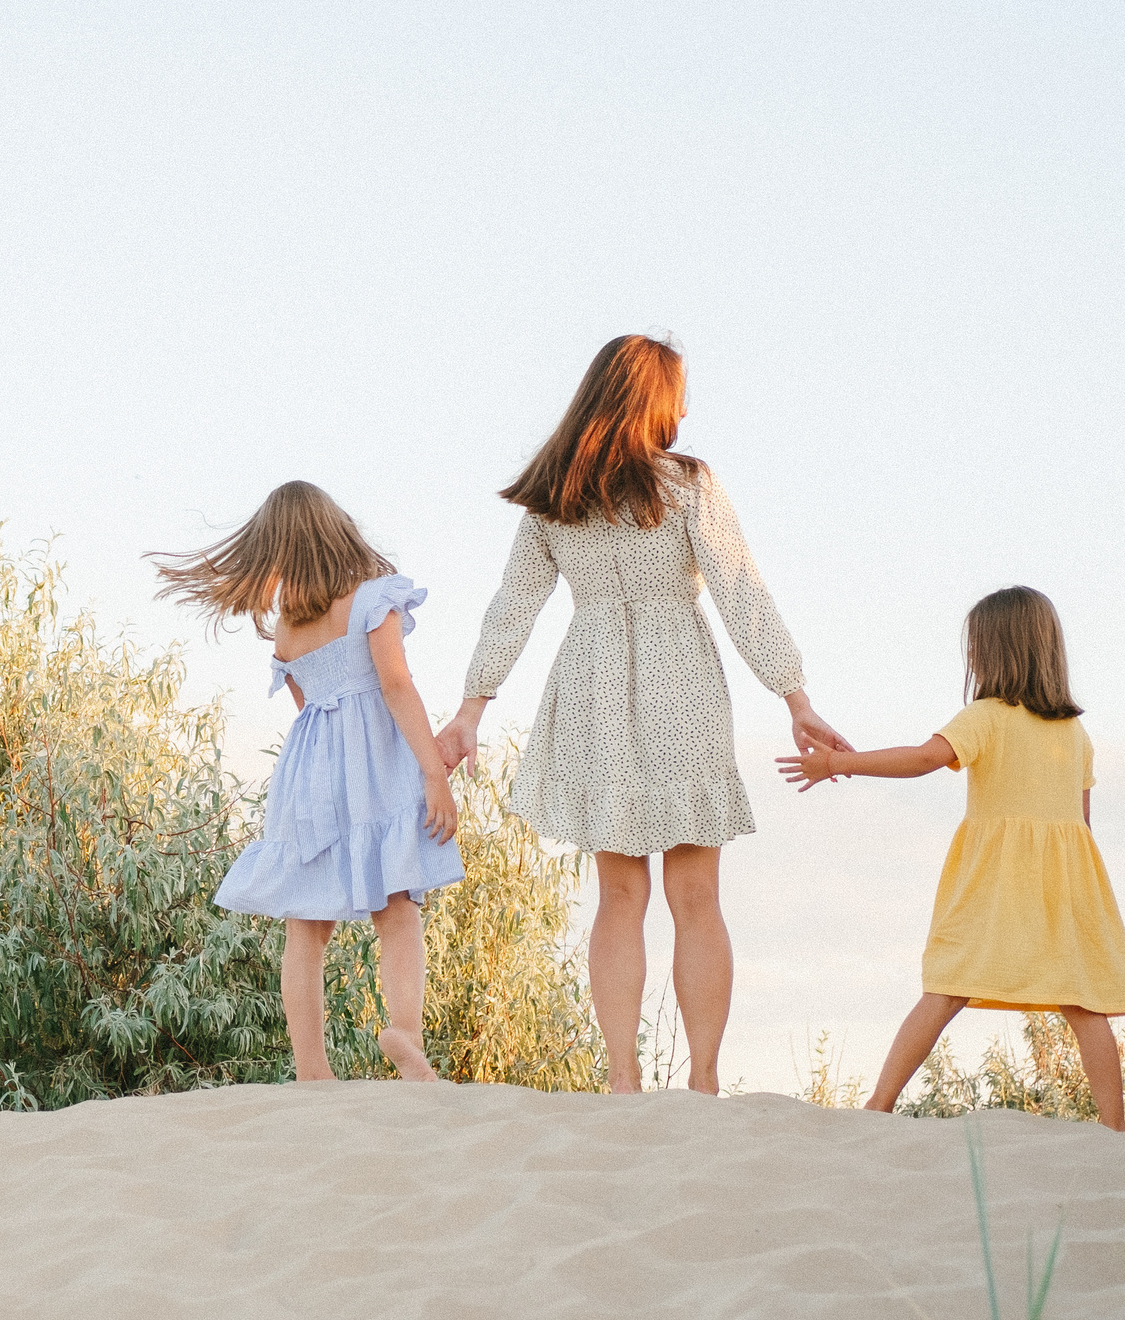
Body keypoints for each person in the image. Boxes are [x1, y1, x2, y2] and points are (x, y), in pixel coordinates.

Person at [439, 335, 848, 1096]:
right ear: (652, 401)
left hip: (591, 683)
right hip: (680, 679)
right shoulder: (687, 483)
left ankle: (622, 1079)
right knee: (697, 900)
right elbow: (741, 591)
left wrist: (472, 707)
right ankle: (703, 1081)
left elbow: (513, 605)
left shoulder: (556, 495)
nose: (685, 413)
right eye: (679, 398)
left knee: (619, 899)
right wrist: (794, 695)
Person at [779, 586, 1125, 1130]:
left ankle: (878, 1106)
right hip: (1065, 888)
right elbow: (1081, 823)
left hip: (994, 884)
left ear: (995, 652)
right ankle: (1116, 1129)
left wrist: (839, 763)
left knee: (946, 987)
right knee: (1084, 1003)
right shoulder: (1074, 732)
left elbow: (924, 758)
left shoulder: (985, 716)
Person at [153, 481, 465, 1082]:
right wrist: (433, 773)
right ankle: (405, 1032)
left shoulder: (288, 631)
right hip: (376, 766)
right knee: (397, 907)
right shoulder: (373, 599)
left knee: (305, 927)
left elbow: (308, 707)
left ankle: (311, 1070)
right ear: (337, 531)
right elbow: (395, 687)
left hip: (310, 776)